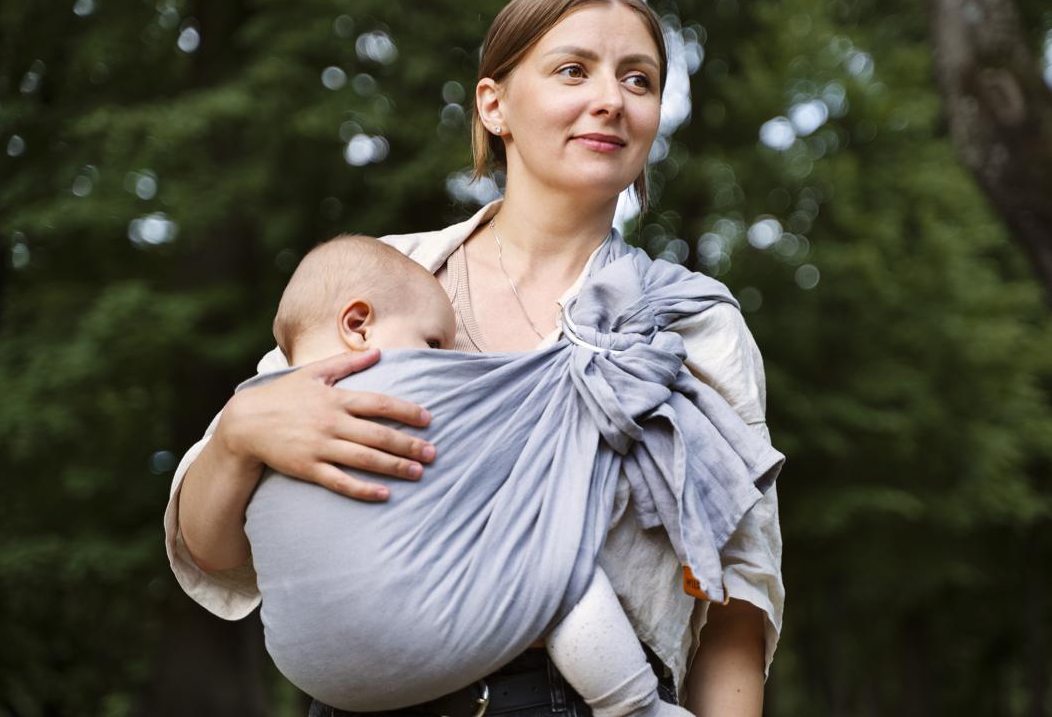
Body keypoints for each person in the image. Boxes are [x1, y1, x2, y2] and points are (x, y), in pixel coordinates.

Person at [166, 0, 784, 716]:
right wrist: (237, 437)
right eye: (572, 70)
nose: (611, 100)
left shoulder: (691, 324)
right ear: (495, 105)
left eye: (639, 79)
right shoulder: (377, 283)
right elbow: (219, 551)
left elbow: (736, 599)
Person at [244, 231, 779, 715]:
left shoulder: (699, 316)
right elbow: (208, 546)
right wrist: (232, 438)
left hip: (329, 678)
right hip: (535, 676)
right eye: (434, 345)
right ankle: (635, 707)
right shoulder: (399, 271)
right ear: (357, 325)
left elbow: (739, 592)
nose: (445, 358)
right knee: (555, 562)